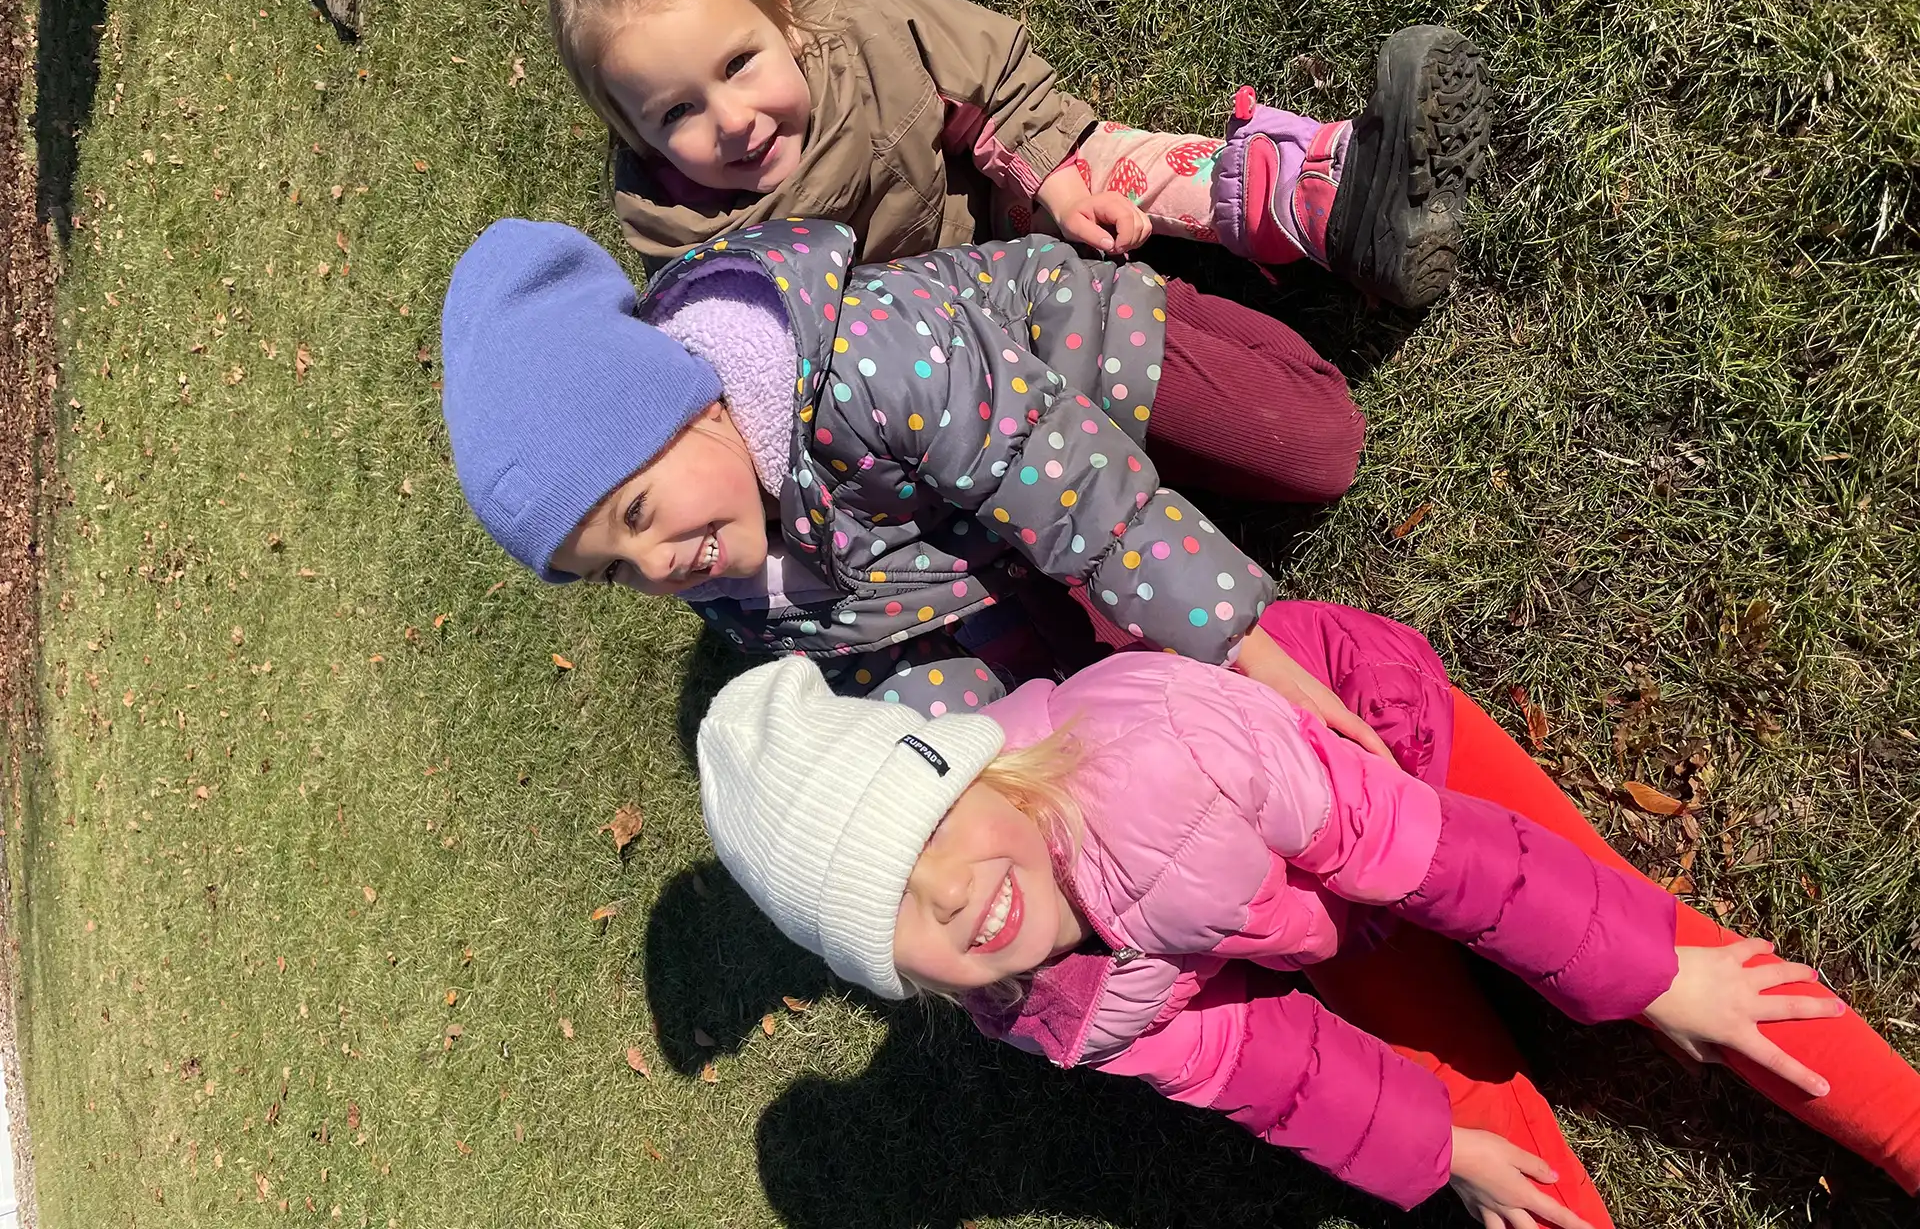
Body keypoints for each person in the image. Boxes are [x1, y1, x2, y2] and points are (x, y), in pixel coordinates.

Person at [695, 600, 1920, 1227]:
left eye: (928, 836)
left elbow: (1441, 863)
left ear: (977, 772)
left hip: (1390, 774)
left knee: (1667, 955)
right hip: (1309, 917)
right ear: (903, 982)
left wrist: (1653, 981)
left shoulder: (1160, 755)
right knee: (1482, 1133)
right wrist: (1442, 1158)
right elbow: (1255, 1062)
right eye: (894, 914)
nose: (952, 894)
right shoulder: (1026, 1003)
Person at [440, 216, 1389, 752]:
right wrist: (968, 778)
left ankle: (1182, 308)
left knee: (1316, 447)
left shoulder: (867, 358)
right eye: (613, 571)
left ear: (689, 402)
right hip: (982, 553)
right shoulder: (716, 560)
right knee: (1082, 727)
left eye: (636, 512)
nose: (656, 566)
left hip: (1077, 369)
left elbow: (1070, 490)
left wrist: (1240, 646)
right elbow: (867, 671)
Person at [545, 0, 1489, 310]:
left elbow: (996, 92)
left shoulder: (868, 28)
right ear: (630, 134)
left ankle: (1321, 197)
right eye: (674, 114)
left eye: (740, 62)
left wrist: (1053, 187)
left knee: (1117, 166)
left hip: (999, 199)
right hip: (948, 336)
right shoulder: (699, 259)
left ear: (785, 20)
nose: (732, 121)